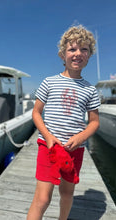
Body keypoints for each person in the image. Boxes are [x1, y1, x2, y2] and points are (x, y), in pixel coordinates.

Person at [26, 25, 100, 220]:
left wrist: (81, 137)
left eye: (84, 49)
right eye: (72, 49)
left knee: (67, 194)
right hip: (48, 146)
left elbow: (94, 122)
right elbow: (36, 112)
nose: (78, 53)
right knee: (42, 199)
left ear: (89, 55)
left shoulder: (90, 90)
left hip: (75, 150)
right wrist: (48, 137)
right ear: (62, 54)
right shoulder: (49, 82)